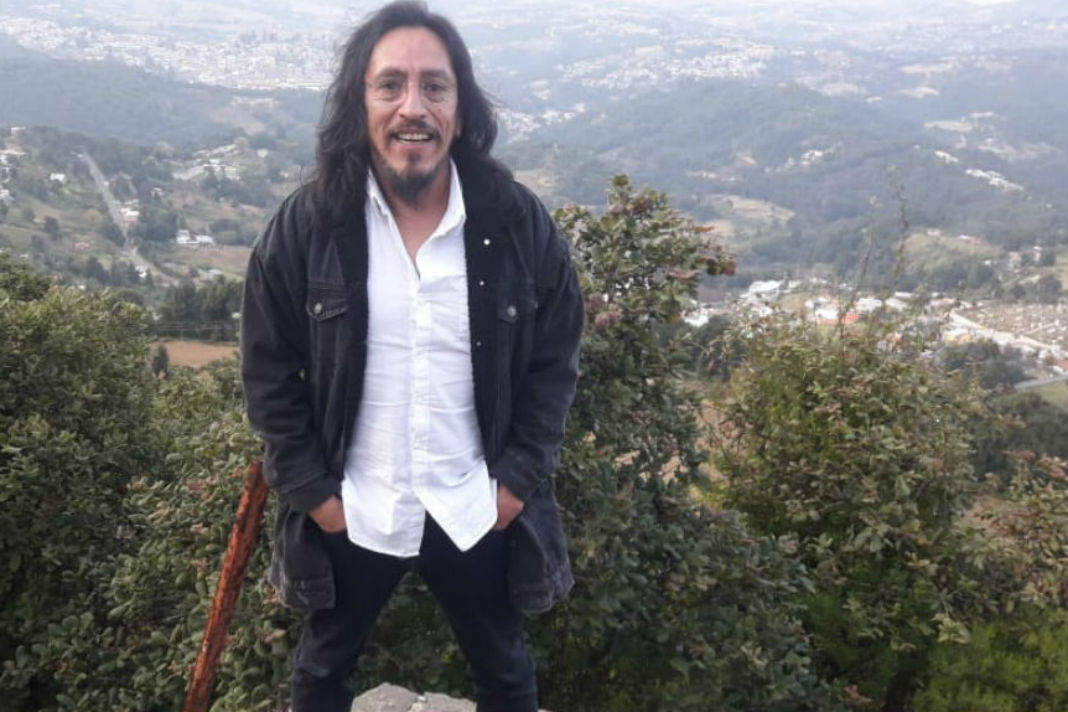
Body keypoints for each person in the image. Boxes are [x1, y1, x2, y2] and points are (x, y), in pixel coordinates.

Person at [239, 2, 584, 710]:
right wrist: (316, 495)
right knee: (320, 675)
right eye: (390, 85)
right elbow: (267, 370)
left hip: (473, 501)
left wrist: (516, 481)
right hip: (359, 502)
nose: (413, 107)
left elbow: (556, 358)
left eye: (435, 86)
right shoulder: (309, 226)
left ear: (461, 105)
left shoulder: (515, 223)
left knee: (507, 675)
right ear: (359, 102)